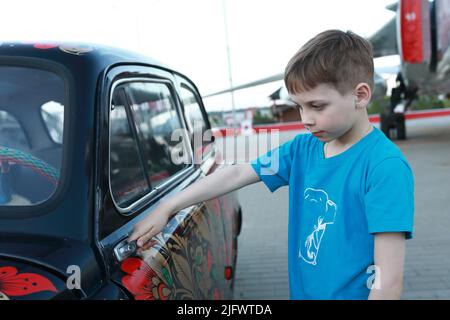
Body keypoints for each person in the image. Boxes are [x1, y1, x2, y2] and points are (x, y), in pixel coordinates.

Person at [129, 29, 415, 300]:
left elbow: (388, 282)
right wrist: (168, 207)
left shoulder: (384, 167)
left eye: (316, 106)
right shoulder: (303, 148)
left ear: (360, 95)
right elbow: (238, 172)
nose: (305, 119)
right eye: (299, 106)